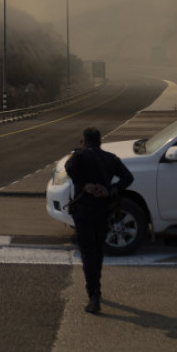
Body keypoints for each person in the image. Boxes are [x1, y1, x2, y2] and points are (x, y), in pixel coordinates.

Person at [65, 126, 134, 314]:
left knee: (87, 253)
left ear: (84, 141)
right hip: (103, 211)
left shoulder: (79, 157)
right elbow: (128, 177)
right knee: (98, 250)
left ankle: (94, 294)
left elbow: (68, 168)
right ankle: (96, 288)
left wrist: (85, 185)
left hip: (83, 212)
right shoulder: (110, 159)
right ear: (100, 142)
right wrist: (110, 189)